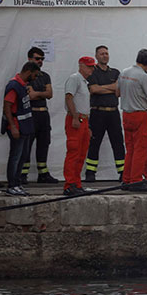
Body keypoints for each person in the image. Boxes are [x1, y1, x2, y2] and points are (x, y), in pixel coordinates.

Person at [117, 49, 147, 191]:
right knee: (141, 150)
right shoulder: (143, 76)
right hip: (139, 115)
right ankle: (136, 180)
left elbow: (117, 92)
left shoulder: (124, 72)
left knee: (130, 149)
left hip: (126, 114)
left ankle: (126, 180)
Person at [85, 45, 125, 181]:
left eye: (106, 53)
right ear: (96, 56)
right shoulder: (92, 72)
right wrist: (111, 87)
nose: (104, 56)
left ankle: (122, 172)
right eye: (101, 54)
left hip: (113, 113)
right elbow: (93, 90)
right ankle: (90, 173)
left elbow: (119, 90)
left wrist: (103, 88)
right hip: (97, 113)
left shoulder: (115, 72)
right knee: (94, 143)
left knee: (118, 143)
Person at [2, 61, 40, 196]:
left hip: (25, 127)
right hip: (17, 126)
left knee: (23, 156)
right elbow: (7, 106)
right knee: (15, 156)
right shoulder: (14, 85)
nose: (35, 78)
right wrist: (12, 126)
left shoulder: (24, 86)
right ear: (29, 72)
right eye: (34, 75)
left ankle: (17, 183)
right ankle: (12, 185)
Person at [21, 47, 58, 184]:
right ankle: (22, 174)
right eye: (37, 58)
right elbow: (30, 95)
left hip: (44, 114)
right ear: (30, 58)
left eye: (42, 59)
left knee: (44, 143)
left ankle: (43, 173)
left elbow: (50, 94)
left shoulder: (45, 76)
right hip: (31, 114)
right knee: (27, 144)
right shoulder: (25, 75)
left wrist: (38, 93)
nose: (40, 61)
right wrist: (40, 93)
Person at [63, 57, 96, 196]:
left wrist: (86, 124)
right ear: (81, 66)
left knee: (81, 153)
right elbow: (69, 97)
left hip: (83, 120)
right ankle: (69, 184)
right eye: (88, 66)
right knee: (74, 152)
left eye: (92, 67)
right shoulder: (75, 79)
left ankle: (76, 183)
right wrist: (75, 116)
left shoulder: (84, 82)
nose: (91, 69)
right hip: (76, 119)